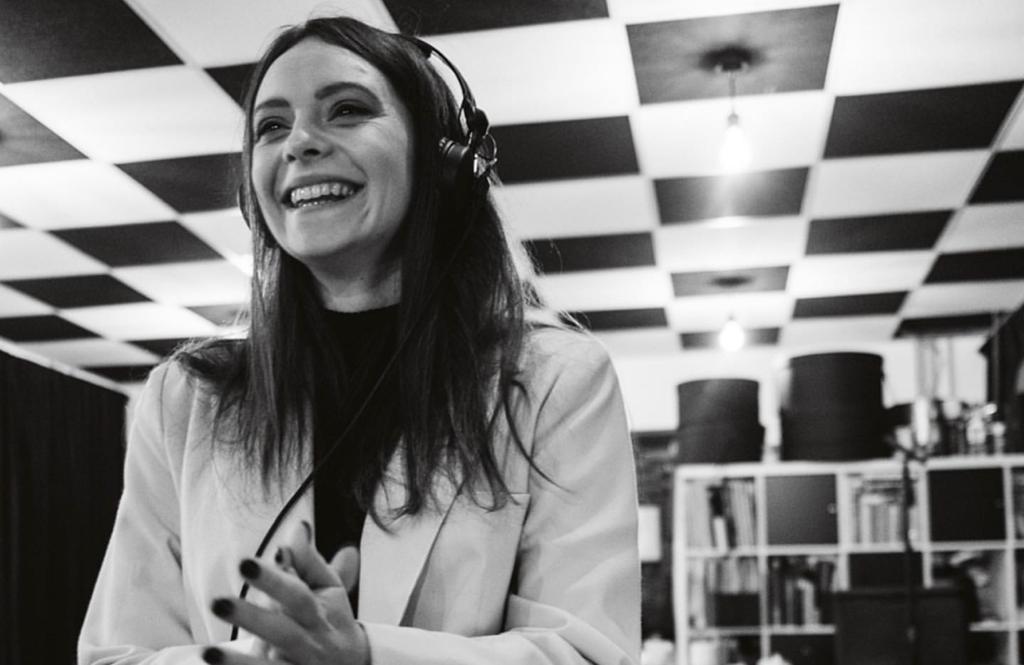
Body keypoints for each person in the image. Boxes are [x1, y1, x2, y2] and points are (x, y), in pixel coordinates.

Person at [78, 15, 641, 665]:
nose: (299, 143)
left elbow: (588, 653)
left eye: (346, 110)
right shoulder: (186, 396)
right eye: (271, 126)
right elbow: (117, 654)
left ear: (443, 161)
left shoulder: (558, 377)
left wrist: (368, 655)